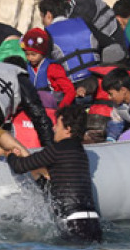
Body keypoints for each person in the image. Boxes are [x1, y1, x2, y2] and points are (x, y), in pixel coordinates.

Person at [6, 104, 102, 242]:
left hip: (73, 222)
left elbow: (20, 166)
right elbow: (55, 187)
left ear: (68, 129)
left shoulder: (57, 150)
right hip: (93, 222)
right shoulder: (80, 153)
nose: (54, 128)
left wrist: (10, 154)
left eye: (57, 124)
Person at [40, 0, 103, 83]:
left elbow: (44, 65)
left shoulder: (48, 33)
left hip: (71, 85)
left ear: (48, 15)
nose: (43, 22)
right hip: (95, 79)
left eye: (42, 17)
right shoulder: (85, 23)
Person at [21, 28, 76, 108]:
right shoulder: (25, 68)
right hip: (34, 108)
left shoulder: (53, 68)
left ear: (42, 52)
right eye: (27, 54)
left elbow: (70, 91)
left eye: (33, 54)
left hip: (53, 108)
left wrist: (61, 109)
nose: (30, 58)